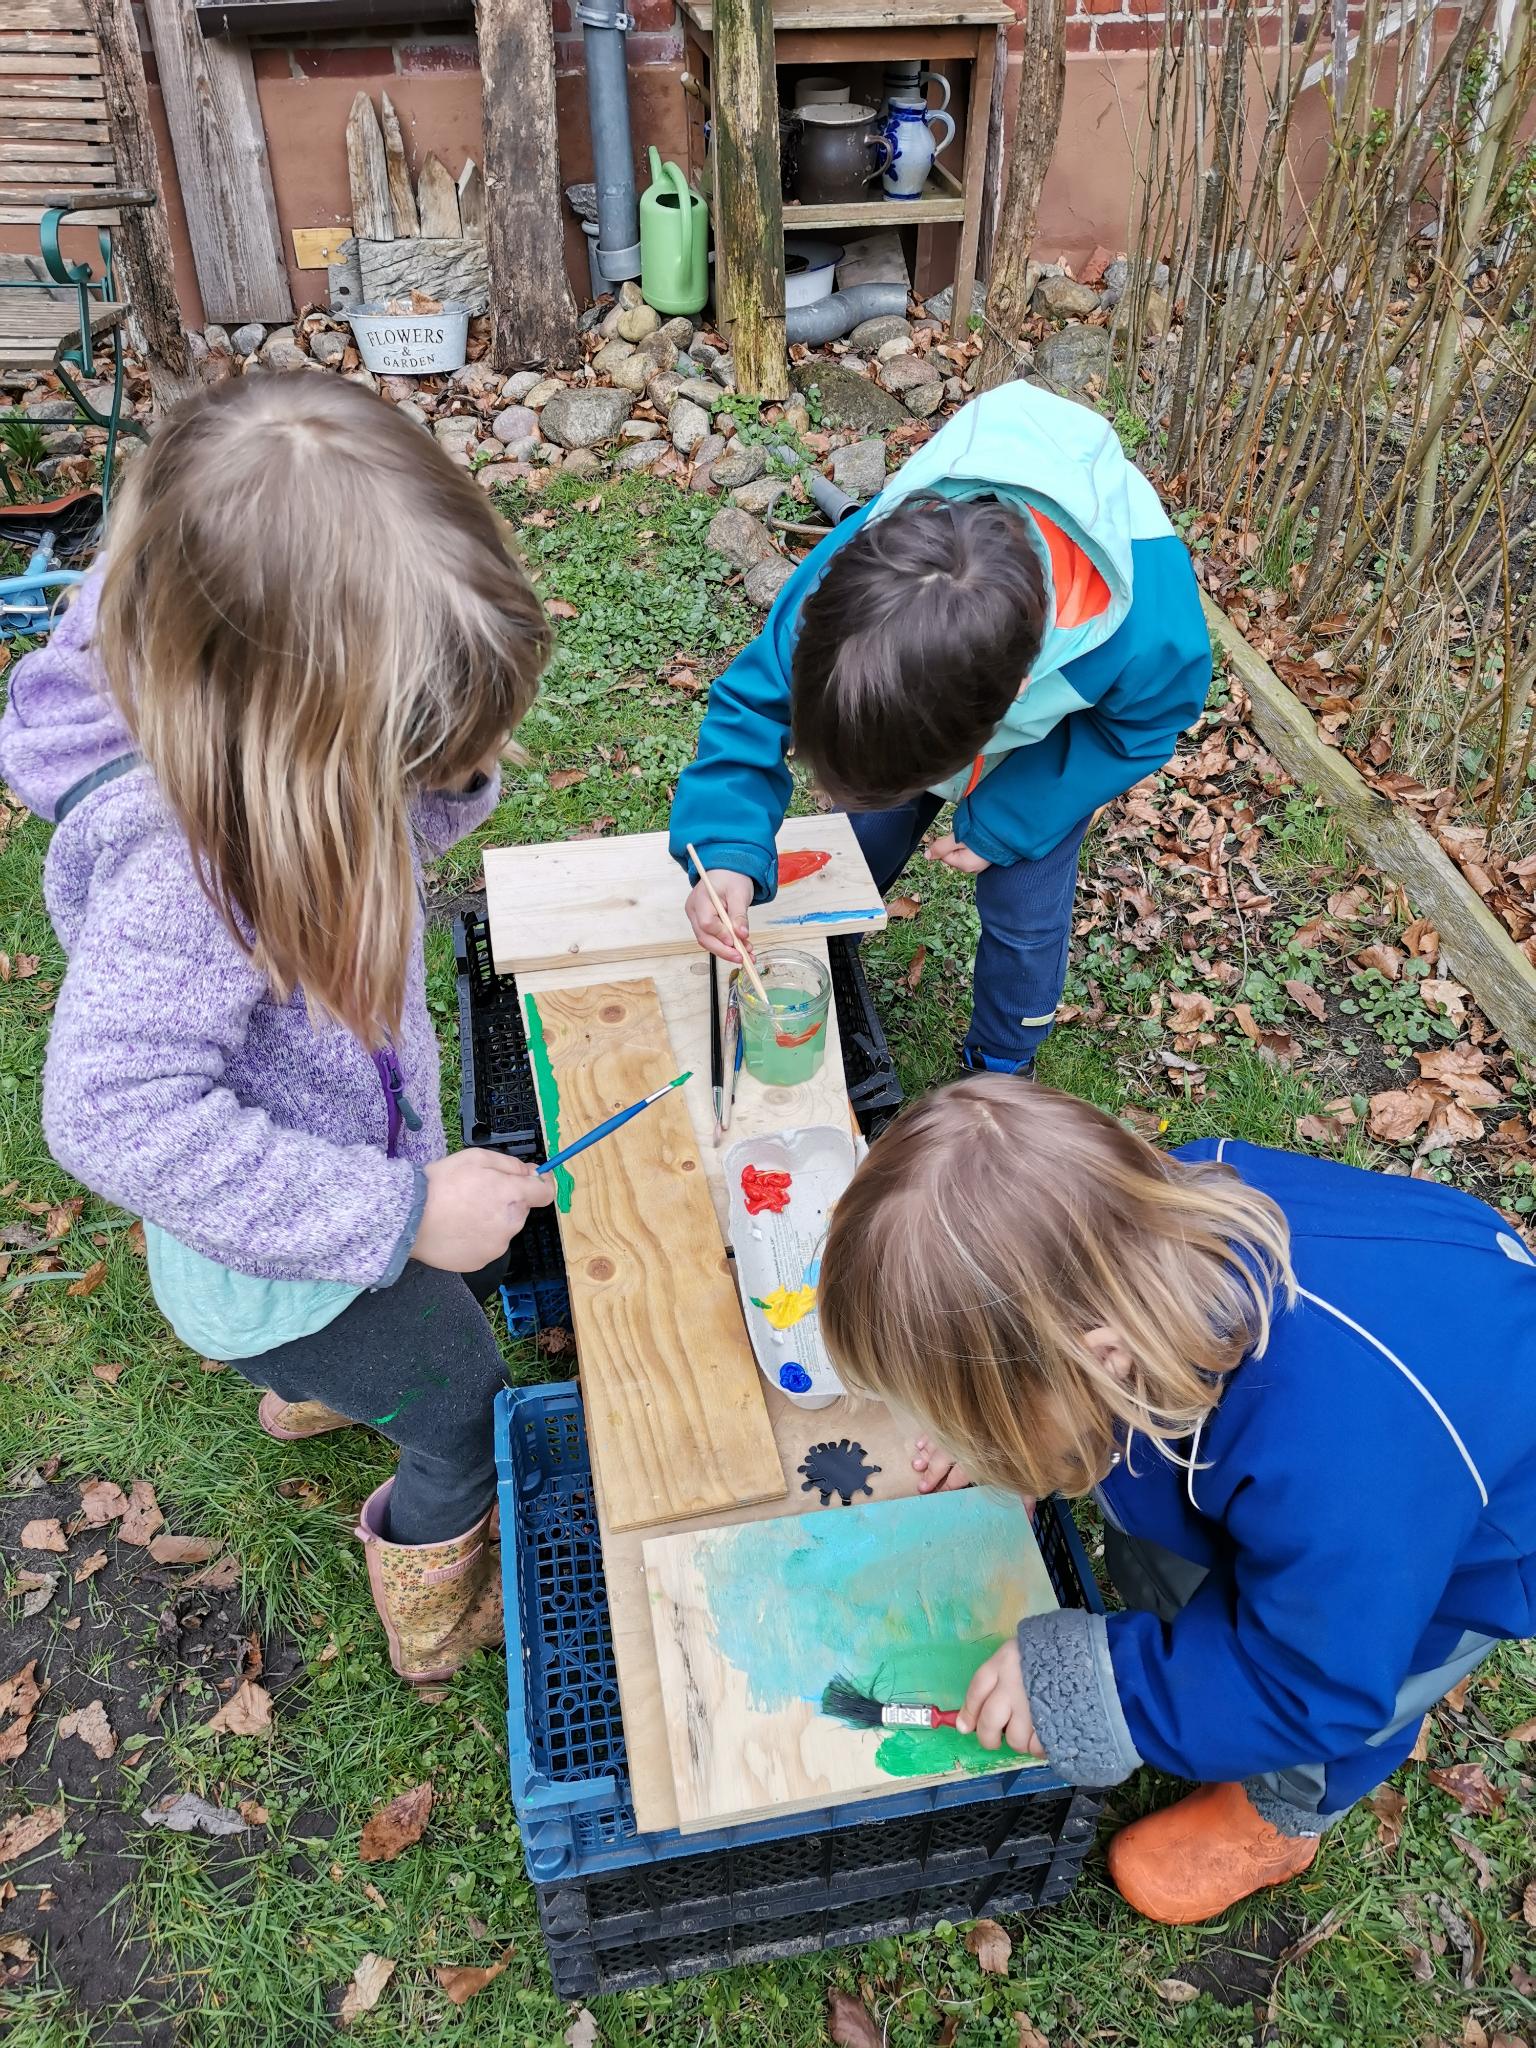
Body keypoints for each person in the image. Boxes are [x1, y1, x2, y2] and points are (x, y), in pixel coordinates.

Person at [0, 376, 555, 1687]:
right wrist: (397, 1221)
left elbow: (376, 832)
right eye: (398, 751)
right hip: (293, 1261)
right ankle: (430, 1622)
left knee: (377, 1348)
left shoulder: (244, 722)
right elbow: (111, 1112)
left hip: (312, 1219)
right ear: (294, 728)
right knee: (469, 1412)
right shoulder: (200, 874)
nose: (410, 780)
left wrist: (444, 771)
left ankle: (315, 1386)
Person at [818, 1076, 1536, 1923]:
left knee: (1361, 1679)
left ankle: (1284, 1816)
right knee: (1194, 1536)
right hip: (1352, 1437)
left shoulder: (1340, 1463)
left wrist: (1104, 1690)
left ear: (1098, 1357)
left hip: (1464, 1536)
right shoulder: (1133, 1240)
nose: (957, 1442)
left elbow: (1311, 1678)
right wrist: (994, 1432)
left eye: (973, 1415)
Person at [668, 380, 1211, 1074]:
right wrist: (724, 850)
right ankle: (836, 945)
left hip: (1045, 757)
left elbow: (1135, 732)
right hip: (943, 697)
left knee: (1025, 903)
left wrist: (1008, 822)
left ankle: (1004, 1063)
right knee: (864, 834)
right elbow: (751, 704)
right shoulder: (852, 582)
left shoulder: (1150, 633)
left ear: (1018, 696)